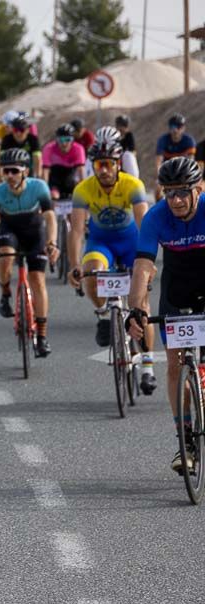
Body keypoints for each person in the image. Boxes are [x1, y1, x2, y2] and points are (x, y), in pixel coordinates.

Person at [126, 158, 205, 473]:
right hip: (177, 286)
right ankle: (184, 441)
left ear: (197, 189)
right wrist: (136, 308)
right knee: (174, 365)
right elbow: (143, 266)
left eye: (183, 192)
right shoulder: (156, 217)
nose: (176, 200)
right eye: (169, 193)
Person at [67, 133, 153, 391]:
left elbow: (144, 224)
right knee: (93, 273)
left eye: (109, 164)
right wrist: (75, 265)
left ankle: (147, 365)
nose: (104, 170)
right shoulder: (83, 189)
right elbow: (77, 231)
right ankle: (104, 314)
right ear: (92, 166)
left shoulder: (132, 184)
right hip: (101, 243)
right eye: (98, 165)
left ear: (118, 163)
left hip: (130, 243)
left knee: (141, 304)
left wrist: (146, 261)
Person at [0, 148, 59, 357]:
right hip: (10, 231)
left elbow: (51, 218)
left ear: (25, 171)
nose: (8, 176)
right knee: (5, 256)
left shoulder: (39, 187)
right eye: (5, 171)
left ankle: (42, 337)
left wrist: (52, 243)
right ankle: (5, 292)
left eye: (14, 171)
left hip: (35, 233)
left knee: (37, 280)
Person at [154, 114, 198, 202]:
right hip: (167, 172)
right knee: (158, 190)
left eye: (179, 127)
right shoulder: (163, 140)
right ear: (169, 128)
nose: (175, 130)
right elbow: (158, 162)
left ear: (183, 128)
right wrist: (160, 178)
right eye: (172, 126)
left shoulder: (189, 141)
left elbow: (191, 162)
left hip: (183, 172)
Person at [40, 124, 87, 201]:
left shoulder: (79, 149)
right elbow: (45, 172)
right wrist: (45, 191)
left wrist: (84, 191)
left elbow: (81, 171)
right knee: (53, 197)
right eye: (61, 140)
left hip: (71, 182)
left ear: (73, 140)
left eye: (67, 140)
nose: (64, 143)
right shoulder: (49, 148)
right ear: (56, 140)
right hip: (54, 183)